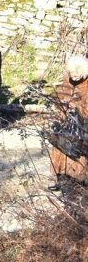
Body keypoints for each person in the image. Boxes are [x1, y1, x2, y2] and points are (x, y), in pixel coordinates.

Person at [49, 55, 87, 189]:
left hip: (81, 126)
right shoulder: (67, 81)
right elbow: (58, 96)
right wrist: (61, 103)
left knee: (77, 153)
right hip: (65, 122)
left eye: (78, 75)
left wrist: (77, 107)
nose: (75, 77)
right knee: (60, 149)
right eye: (72, 74)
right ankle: (61, 180)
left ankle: (77, 182)